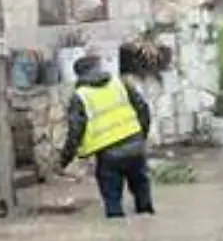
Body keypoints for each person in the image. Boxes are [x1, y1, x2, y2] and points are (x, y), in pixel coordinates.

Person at [57, 54, 155, 219]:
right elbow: (143, 109)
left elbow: (75, 131)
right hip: (136, 149)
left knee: (113, 205)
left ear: (78, 75)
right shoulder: (120, 84)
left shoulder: (80, 96)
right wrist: (141, 136)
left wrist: (64, 160)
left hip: (109, 157)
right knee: (143, 199)